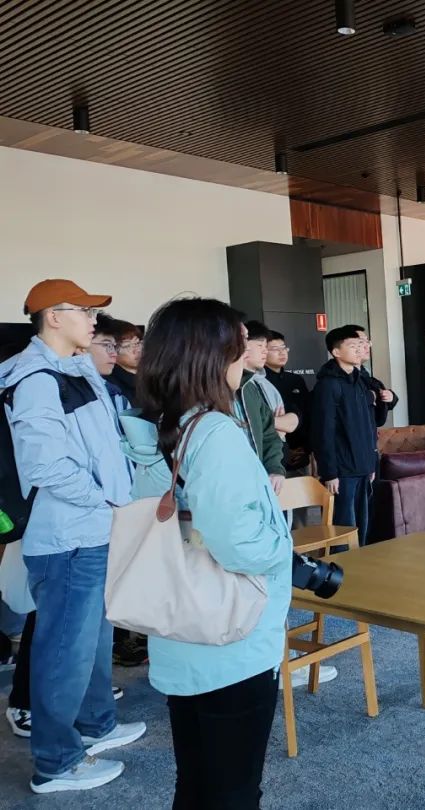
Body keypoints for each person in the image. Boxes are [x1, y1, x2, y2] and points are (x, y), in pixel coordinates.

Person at [118, 297, 292, 808]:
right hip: (232, 637)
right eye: (241, 345)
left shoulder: (158, 425)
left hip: (183, 626)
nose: (247, 355)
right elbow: (238, 543)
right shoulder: (215, 432)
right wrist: (282, 546)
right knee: (234, 789)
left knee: (196, 781)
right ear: (213, 357)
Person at [0, 279, 145, 794]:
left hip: (92, 530)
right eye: (83, 311)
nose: (93, 320)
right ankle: (56, 763)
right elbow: (44, 466)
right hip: (67, 537)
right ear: (53, 317)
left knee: (93, 641)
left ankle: (96, 724)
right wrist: (102, 498)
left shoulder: (72, 371)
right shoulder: (36, 378)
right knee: (65, 649)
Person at [311, 325, 395, 547]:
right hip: (342, 470)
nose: (359, 349)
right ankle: (341, 563)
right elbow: (323, 432)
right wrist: (329, 472)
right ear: (336, 352)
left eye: (361, 345)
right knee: (343, 526)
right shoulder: (328, 385)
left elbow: (370, 424)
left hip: (364, 466)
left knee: (362, 524)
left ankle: (360, 560)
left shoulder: (360, 381)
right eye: (353, 346)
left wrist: (370, 465)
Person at [236, 323, 286, 495]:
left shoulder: (250, 388)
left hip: (260, 482)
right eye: (260, 345)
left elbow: (269, 433)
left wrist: (274, 468)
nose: (264, 351)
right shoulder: (203, 392)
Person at [264, 330, 311, 473]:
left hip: (301, 454)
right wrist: (285, 450)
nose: (282, 352)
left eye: (283, 348)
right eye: (275, 349)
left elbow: (307, 414)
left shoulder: (295, 380)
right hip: (272, 456)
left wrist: (308, 448)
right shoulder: (259, 382)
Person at [110, 318, 142, 405]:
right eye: (127, 346)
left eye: (137, 343)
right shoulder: (112, 385)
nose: (137, 350)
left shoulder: (152, 373)